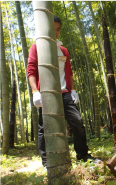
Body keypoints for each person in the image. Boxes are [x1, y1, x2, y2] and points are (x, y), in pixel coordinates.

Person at [27, 16, 101, 168]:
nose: (55, 32)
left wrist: (73, 90)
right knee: (44, 127)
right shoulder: (36, 47)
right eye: (52, 29)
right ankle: (47, 161)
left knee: (78, 122)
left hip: (64, 92)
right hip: (46, 92)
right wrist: (35, 91)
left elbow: (70, 72)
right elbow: (31, 71)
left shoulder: (64, 50)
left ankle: (82, 155)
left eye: (58, 29)